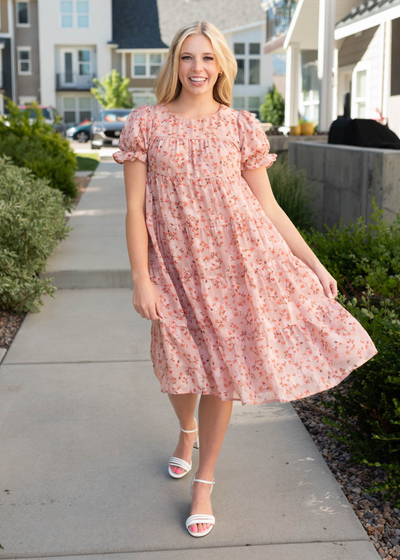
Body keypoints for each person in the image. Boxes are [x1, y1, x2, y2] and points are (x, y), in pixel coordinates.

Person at [113, 21, 378, 538]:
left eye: (208, 59)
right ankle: (185, 428)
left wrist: (314, 263)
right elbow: (133, 209)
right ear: (174, 64)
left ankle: (205, 480)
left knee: (220, 370)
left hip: (238, 266)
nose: (197, 68)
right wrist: (140, 277)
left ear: (222, 66)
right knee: (178, 364)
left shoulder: (240, 127)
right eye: (188, 58)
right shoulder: (146, 123)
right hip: (174, 265)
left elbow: (269, 207)